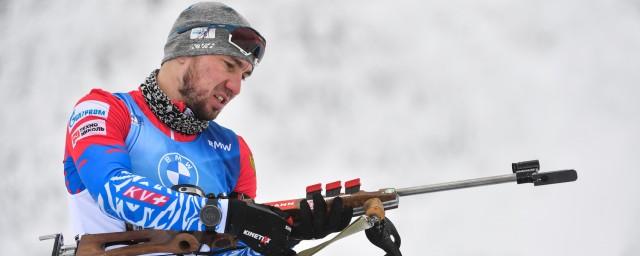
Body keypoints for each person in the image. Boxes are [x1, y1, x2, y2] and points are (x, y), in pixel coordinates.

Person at [62, 2, 352, 255]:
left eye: (245, 76)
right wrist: (223, 215)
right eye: (229, 65)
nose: (236, 87)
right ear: (184, 52)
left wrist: (287, 237)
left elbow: (229, 250)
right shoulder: (104, 110)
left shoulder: (233, 151)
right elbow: (114, 192)